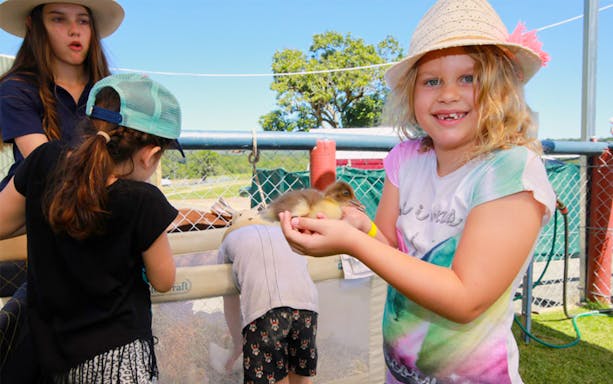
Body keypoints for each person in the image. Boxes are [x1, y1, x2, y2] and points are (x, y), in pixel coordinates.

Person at [279, 0, 557, 383]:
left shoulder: (508, 170)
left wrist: (352, 244)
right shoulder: (406, 160)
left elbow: (465, 299)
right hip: (400, 372)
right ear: (411, 93)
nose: (447, 94)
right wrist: (360, 228)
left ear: (501, 88)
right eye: (431, 81)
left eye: (468, 78)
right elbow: (390, 247)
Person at [0, 73, 182, 383]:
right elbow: (163, 280)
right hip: (118, 363)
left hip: (50, 356)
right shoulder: (144, 201)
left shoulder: (44, 161)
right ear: (150, 154)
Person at [0, 0, 124, 191]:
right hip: (33, 202)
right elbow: (44, 161)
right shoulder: (16, 88)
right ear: (32, 25)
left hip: (101, 198)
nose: (74, 30)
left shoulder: (114, 91)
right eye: (58, 19)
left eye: (83, 21)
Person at [216, 211, 319, 384]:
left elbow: (230, 303)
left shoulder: (229, 241)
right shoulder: (282, 233)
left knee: (271, 378)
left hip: (266, 312)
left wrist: (237, 342)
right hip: (307, 308)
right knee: (300, 377)